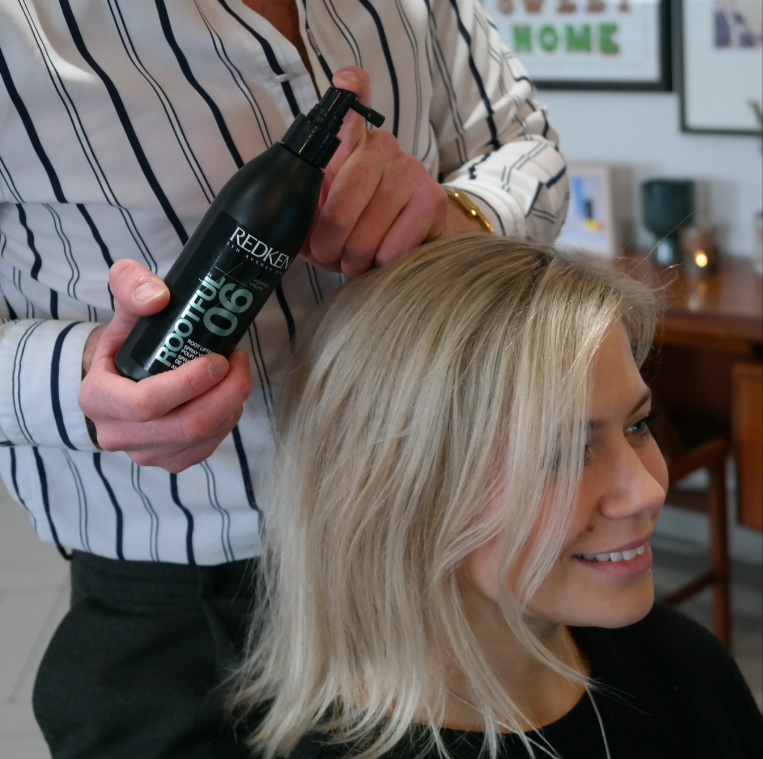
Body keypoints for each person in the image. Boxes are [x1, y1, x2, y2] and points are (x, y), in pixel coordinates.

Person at [0, 1, 568, 757]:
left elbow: (521, 144)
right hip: (187, 606)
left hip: (453, 527)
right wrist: (81, 379)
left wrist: (460, 216)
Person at [231, 235, 763, 759]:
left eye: (638, 424)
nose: (647, 491)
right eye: (562, 453)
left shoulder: (679, 664)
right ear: (404, 495)